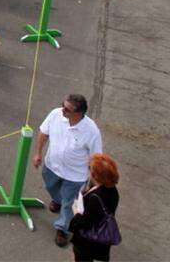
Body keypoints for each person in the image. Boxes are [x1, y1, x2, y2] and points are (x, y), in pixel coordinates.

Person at [34, 94, 104, 248]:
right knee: (51, 187)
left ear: (78, 114)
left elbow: (96, 157)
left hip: (75, 176)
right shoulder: (55, 114)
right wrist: (38, 153)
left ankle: (62, 228)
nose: (62, 110)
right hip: (52, 167)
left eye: (67, 109)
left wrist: (92, 180)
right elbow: (43, 133)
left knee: (68, 203)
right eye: (63, 105)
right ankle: (57, 200)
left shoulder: (91, 131)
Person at [68, 153, 121, 262]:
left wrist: (75, 210)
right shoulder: (113, 191)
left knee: (81, 257)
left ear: (95, 176)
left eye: (90, 169)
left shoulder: (95, 198)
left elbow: (84, 222)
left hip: (89, 240)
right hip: (102, 236)